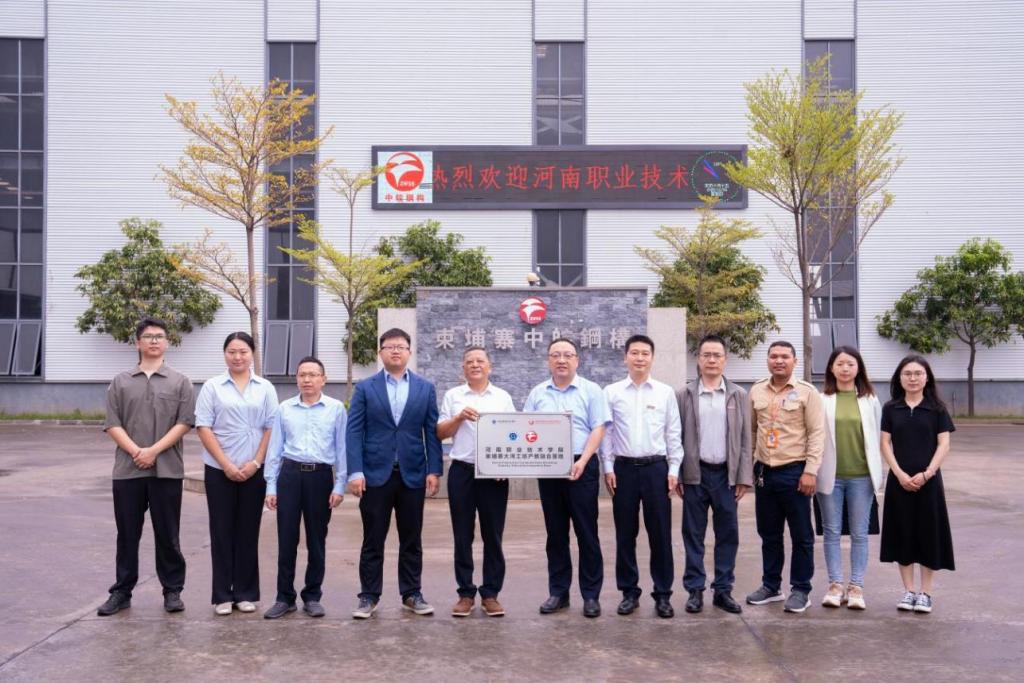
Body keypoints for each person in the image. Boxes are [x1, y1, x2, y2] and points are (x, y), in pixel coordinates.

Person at [97, 317, 195, 616]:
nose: (154, 340)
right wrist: (137, 452)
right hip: (128, 471)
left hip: (167, 470)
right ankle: (122, 591)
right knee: (127, 534)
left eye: (159, 336)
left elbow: (184, 423)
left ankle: (173, 591)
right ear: (137, 343)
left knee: (168, 534)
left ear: (167, 342)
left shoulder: (180, 381)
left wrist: (153, 451)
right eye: (148, 336)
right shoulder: (121, 381)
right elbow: (113, 423)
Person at [347, 328, 443, 619]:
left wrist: (434, 469)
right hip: (375, 474)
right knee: (373, 539)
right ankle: (368, 596)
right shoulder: (366, 388)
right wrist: (355, 471)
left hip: (412, 474)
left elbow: (431, 431)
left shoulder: (425, 388)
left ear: (409, 352)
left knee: (411, 538)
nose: (396, 351)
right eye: (390, 346)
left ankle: (412, 593)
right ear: (381, 352)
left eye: (401, 346)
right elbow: (354, 431)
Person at [524, 338, 611, 618]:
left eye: (567, 355)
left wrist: (583, 461)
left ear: (577, 360)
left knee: (587, 532)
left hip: (581, 465)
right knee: (556, 533)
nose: (561, 360)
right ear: (548, 360)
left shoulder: (591, 390)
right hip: (548, 466)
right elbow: (525, 428)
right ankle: (558, 593)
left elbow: (598, 428)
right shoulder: (538, 392)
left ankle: (591, 595)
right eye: (556, 355)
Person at [195, 332, 278, 615]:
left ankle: (245, 593)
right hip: (219, 469)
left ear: (252, 353)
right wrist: (226, 464)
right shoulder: (212, 386)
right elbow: (203, 426)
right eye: (232, 351)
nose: (238, 357)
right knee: (221, 531)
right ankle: (222, 595)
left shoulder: (265, 387)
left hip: (254, 469)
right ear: (224, 354)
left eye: (243, 351)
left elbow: (271, 427)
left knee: (248, 531)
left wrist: (256, 462)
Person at [602, 334, 681, 619]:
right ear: (625, 357)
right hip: (623, 470)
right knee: (625, 534)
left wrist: (673, 469)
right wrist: (608, 467)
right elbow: (607, 433)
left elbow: (673, 432)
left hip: (656, 469)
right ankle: (629, 593)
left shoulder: (664, 392)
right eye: (634, 353)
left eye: (645, 353)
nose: (639, 358)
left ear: (652, 358)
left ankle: (663, 594)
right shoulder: (612, 392)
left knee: (660, 534)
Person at [262, 356, 346, 619]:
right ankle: (284, 597)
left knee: (316, 540)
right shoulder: (285, 408)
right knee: (286, 539)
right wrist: (271, 486)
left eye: (312, 375)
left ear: (323, 379)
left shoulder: (335, 409)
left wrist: (340, 484)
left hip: (320, 478)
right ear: (296, 379)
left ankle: (312, 596)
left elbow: (342, 448)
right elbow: (275, 449)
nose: (307, 380)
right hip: (290, 476)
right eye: (302, 375)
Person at [436, 346, 516, 617]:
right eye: (469, 361)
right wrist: (459, 417)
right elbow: (440, 432)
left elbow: (513, 434)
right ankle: (465, 593)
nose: (475, 365)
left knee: (493, 534)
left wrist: (506, 464)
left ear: (490, 366)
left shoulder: (502, 397)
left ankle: (491, 594)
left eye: (480, 361)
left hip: (494, 474)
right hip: (462, 471)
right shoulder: (453, 396)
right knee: (462, 535)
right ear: (463, 368)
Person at [746, 340, 825, 614]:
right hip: (764, 473)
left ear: (794, 361)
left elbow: (816, 434)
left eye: (784, 357)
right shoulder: (756, 390)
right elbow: (752, 431)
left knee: (801, 535)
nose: (779, 361)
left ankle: (801, 589)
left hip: (795, 472)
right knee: (769, 534)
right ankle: (771, 586)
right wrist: (750, 466)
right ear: (768, 360)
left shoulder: (807, 393)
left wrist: (810, 470)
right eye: (774, 356)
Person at [678, 334, 752, 616]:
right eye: (706, 355)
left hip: (725, 476)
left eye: (716, 355)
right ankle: (695, 590)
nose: (711, 360)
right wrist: (679, 474)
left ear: (725, 360)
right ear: (698, 359)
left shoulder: (738, 394)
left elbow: (745, 439)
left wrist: (743, 477)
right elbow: (676, 436)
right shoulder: (684, 395)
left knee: (728, 535)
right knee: (693, 535)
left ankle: (723, 590)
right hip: (695, 474)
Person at [879, 355, 955, 614]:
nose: (912, 378)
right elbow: (884, 443)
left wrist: (928, 473)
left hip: (929, 483)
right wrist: (899, 473)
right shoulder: (891, 408)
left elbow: (944, 444)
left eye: (918, 373)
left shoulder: (937, 409)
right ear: (899, 378)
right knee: (903, 533)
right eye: (907, 374)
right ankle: (909, 591)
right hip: (899, 482)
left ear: (927, 377)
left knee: (929, 534)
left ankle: (926, 593)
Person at [816, 346, 883, 610]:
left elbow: (878, 437)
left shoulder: (870, 400)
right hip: (829, 476)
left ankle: (856, 587)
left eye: (850, 364)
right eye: (840, 364)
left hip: (861, 477)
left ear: (858, 368)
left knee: (859, 533)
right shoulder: (822, 399)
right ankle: (835, 585)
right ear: (831, 368)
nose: (845, 368)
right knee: (831, 532)